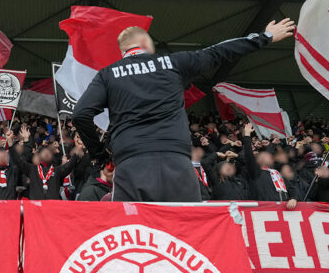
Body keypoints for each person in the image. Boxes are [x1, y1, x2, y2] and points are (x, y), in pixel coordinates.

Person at [72, 19, 294, 201]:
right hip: (176, 161)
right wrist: (264, 37)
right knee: (187, 230)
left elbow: (81, 114)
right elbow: (218, 52)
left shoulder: (108, 74)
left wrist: (100, 155)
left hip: (131, 163)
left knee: (134, 231)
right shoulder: (173, 63)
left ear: (123, 49)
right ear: (143, 42)